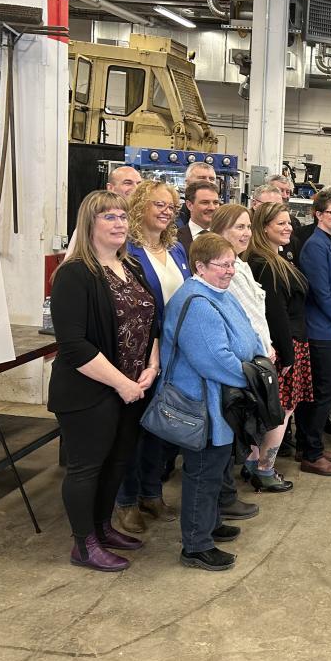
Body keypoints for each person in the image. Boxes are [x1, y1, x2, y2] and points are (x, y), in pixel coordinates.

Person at [49, 190, 159, 572]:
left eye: (122, 216)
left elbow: (152, 322)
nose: (119, 223)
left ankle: (101, 527)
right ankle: (84, 544)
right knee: (87, 467)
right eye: (108, 217)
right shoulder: (74, 274)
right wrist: (121, 383)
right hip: (89, 391)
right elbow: (74, 346)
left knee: (117, 462)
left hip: (133, 387)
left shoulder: (132, 268)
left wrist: (152, 366)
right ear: (89, 224)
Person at [160, 234, 264, 570]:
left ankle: (210, 523)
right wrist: (254, 375)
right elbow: (214, 360)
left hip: (219, 402)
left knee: (217, 468)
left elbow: (247, 336)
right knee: (203, 472)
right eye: (223, 265)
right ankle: (195, 544)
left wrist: (254, 358)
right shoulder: (198, 303)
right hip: (201, 405)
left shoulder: (216, 293)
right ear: (200, 266)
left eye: (233, 263)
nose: (231, 271)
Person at [113, 180, 189, 534]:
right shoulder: (127, 251)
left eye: (171, 206)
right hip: (139, 353)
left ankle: (151, 493)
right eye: (158, 204)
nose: (165, 211)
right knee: (133, 429)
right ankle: (126, 501)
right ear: (140, 205)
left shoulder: (176, 250)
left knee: (161, 427)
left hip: (173, 351)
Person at [210, 204, 293, 495]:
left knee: (257, 418)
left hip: (260, 353)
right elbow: (243, 317)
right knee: (252, 418)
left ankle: (250, 469)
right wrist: (264, 348)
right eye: (239, 227)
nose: (246, 233)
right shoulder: (222, 268)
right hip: (243, 358)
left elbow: (257, 313)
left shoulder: (241, 264)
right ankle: (252, 473)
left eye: (248, 227)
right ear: (220, 230)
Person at [245, 201, 320, 487]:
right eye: (281, 223)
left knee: (272, 411)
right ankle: (265, 469)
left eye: (289, 222)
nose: (288, 227)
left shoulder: (273, 258)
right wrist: (288, 356)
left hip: (287, 342)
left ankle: (255, 462)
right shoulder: (265, 263)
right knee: (282, 410)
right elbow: (274, 313)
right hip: (285, 345)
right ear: (264, 228)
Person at [294, 188, 331, 476]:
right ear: (318, 214)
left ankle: (309, 445)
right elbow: (321, 291)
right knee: (324, 391)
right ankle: (312, 453)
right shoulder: (316, 246)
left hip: (330, 326)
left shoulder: (330, 242)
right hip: (320, 329)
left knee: (320, 390)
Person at [64, 165, 141, 258]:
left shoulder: (144, 221)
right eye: (128, 183)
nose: (136, 188)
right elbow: (71, 263)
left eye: (139, 184)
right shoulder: (92, 223)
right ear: (110, 187)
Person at [177, 181, 220, 254]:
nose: (212, 208)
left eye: (215, 202)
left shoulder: (226, 236)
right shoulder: (174, 240)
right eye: (205, 202)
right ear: (189, 205)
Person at [174, 162, 219, 230]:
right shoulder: (175, 221)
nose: (208, 182)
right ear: (187, 183)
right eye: (202, 178)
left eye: (211, 179)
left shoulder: (225, 219)